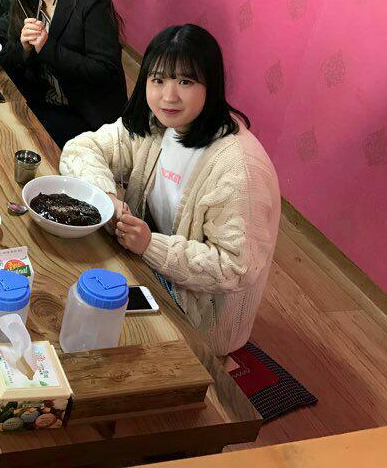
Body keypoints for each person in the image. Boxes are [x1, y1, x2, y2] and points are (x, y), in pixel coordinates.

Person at [59, 24, 280, 356]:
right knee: (66, 290)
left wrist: (151, 245)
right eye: (158, 79)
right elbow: (81, 149)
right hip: (143, 262)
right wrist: (107, 198)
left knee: (93, 339)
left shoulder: (239, 168)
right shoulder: (156, 124)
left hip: (200, 318)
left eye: (186, 82)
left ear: (211, 85)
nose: (169, 96)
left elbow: (235, 267)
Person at [0, 0, 127, 148]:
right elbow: (10, 63)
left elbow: (105, 71)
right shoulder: (26, 0)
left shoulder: (92, 1)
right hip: (44, 106)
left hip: (86, 118)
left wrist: (47, 47)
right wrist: (24, 48)